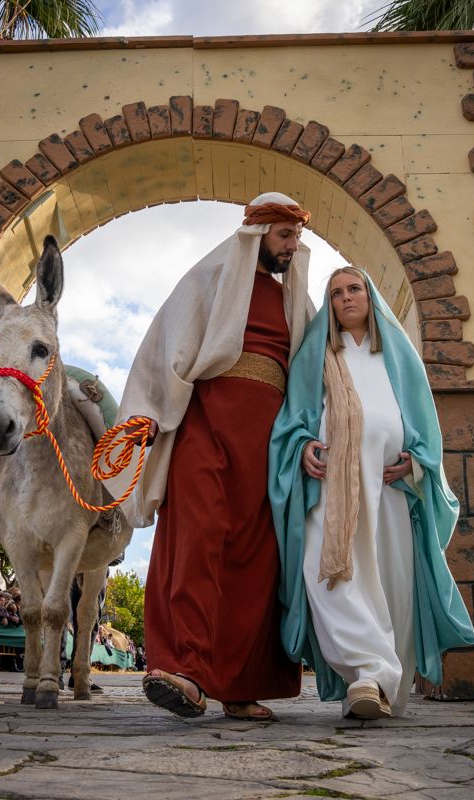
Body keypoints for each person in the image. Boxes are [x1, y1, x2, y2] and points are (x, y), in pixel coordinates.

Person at [108, 192, 314, 721]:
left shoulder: (298, 303)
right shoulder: (209, 279)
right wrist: (149, 412)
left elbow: (315, 373)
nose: (294, 246)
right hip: (206, 427)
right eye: (285, 235)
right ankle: (186, 671)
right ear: (258, 231)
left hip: (268, 443)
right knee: (196, 539)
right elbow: (167, 348)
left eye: (296, 237)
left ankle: (240, 686)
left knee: (256, 558)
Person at [269, 268, 474, 719]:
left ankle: (379, 689)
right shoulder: (316, 354)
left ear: (370, 296)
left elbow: (425, 427)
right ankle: (366, 673)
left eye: (354, 289)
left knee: (390, 586)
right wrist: (302, 447)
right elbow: (292, 419)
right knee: (327, 579)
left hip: (390, 490)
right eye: (336, 292)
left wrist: (417, 463)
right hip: (331, 492)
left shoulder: (399, 355)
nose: (345, 298)